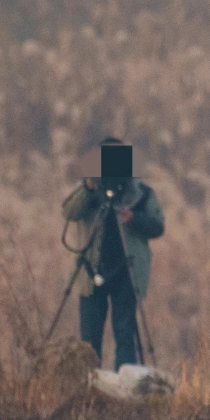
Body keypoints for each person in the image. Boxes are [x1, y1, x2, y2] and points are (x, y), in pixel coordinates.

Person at [62, 138, 164, 369]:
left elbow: (158, 226)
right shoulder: (90, 191)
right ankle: (88, 385)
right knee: (89, 341)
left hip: (126, 273)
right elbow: (69, 212)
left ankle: (126, 385)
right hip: (91, 270)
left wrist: (134, 219)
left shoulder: (140, 193)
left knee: (125, 335)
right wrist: (88, 188)